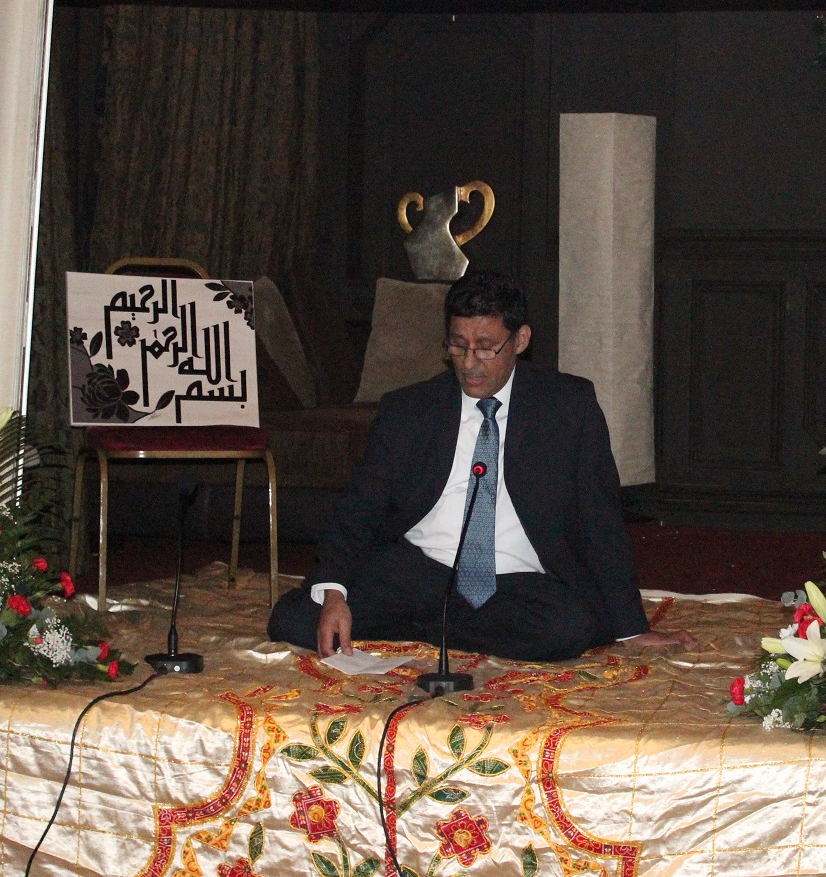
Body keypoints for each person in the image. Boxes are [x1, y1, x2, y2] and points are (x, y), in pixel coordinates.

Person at [267, 270, 684, 661]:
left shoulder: (567, 407)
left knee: (567, 629)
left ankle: (428, 627)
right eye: (457, 345)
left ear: (520, 339)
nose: (469, 363)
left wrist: (631, 628)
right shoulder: (410, 410)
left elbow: (599, 518)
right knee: (295, 620)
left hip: (514, 580)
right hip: (420, 570)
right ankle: (446, 626)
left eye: (486, 347)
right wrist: (335, 595)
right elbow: (360, 509)